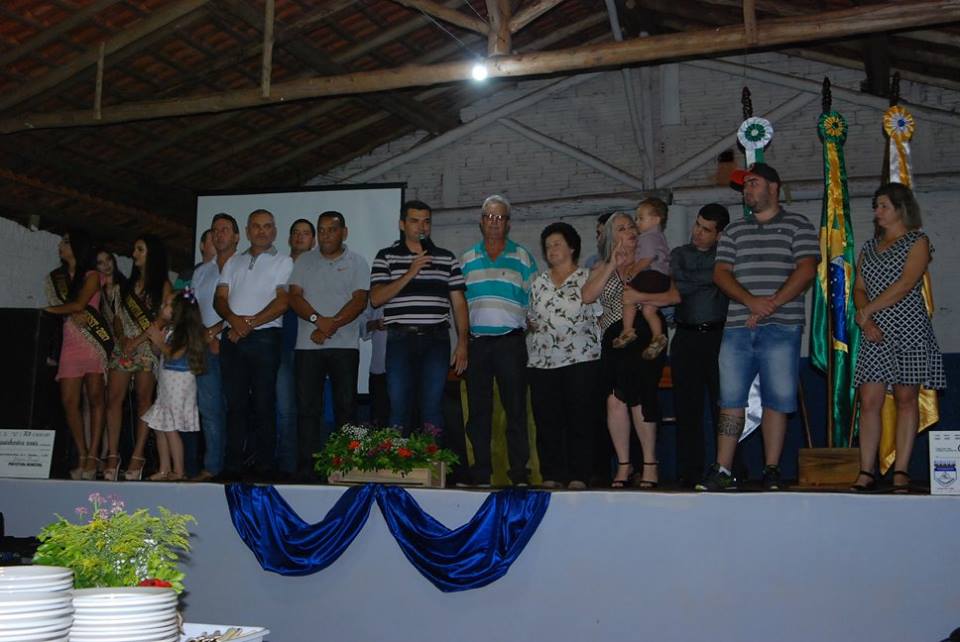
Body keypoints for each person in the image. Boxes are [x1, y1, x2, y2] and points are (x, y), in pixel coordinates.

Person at [699, 162, 819, 491]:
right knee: (730, 399)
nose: (747, 190)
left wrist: (771, 304)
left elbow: (806, 269)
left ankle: (772, 469)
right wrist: (751, 301)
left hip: (782, 327)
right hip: (738, 327)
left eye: (753, 183)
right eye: (745, 185)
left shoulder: (799, 225)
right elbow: (721, 273)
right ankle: (723, 468)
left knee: (776, 399)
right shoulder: (734, 231)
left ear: (773, 187)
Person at [851, 184, 946, 493]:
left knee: (906, 399)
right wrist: (866, 318)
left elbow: (906, 283)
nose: (877, 211)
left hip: (908, 328)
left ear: (901, 209)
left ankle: (901, 470)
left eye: (883, 206)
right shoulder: (869, 247)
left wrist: (868, 311)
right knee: (869, 401)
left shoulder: (918, 241)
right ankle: (866, 470)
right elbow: (859, 288)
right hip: (873, 330)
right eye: (876, 206)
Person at [583, 212, 678, 488]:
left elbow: (674, 296)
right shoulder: (601, 265)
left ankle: (650, 464)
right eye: (622, 228)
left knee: (640, 396)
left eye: (632, 226)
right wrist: (612, 264)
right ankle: (624, 465)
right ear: (611, 236)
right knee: (614, 400)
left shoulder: (650, 261)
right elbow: (587, 296)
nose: (630, 231)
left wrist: (640, 296)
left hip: (647, 332)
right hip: (615, 336)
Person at [369, 200, 469, 437]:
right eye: (414, 221)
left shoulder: (446, 258)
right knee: (398, 407)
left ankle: (432, 460)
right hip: (400, 338)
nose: (421, 227)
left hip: (436, 340)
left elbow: (459, 304)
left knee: (433, 408)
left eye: (426, 221)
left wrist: (463, 343)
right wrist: (410, 272)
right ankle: (398, 458)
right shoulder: (386, 256)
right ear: (402, 224)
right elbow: (376, 298)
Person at [461, 195, 538, 487]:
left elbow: (535, 300)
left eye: (500, 217)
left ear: (508, 223)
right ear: (481, 222)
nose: (494, 222)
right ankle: (481, 474)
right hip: (477, 344)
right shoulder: (466, 259)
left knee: (516, 410)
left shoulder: (523, 257)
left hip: (511, 343)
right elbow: (458, 305)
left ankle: (519, 474)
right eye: (489, 217)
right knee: (478, 412)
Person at [288, 211, 369, 479]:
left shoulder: (357, 261)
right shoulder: (304, 261)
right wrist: (317, 320)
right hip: (307, 346)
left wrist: (329, 325)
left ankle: (348, 467)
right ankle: (307, 469)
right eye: (321, 230)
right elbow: (294, 296)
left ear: (344, 232)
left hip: (345, 346)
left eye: (331, 230)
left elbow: (359, 300)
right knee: (307, 409)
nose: (325, 235)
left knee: (347, 406)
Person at [215, 209, 293, 480]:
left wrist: (247, 324)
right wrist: (234, 321)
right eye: (256, 226)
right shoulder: (233, 262)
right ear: (247, 231)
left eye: (267, 226)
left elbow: (283, 302)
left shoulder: (284, 262)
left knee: (264, 405)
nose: (262, 231)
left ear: (275, 231)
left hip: (265, 338)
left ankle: (264, 468)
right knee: (235, 406)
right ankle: (233, 467)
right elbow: (220, 299)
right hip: (232, 339)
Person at [527, 222, 601, 490]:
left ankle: (580, 474)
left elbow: (599, 316)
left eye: (557, 244)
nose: (551, 249)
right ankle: (552, 473)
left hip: (580, 359)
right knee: (547, 420)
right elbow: (530, 317)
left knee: (579, 418)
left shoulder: (588, 277)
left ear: (572, 247)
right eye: (547, 246)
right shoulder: (538, 281)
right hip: (542, 360)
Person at [669, 204, 730, 488]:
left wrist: (706, 279)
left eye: (706, 229)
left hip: (719, 338)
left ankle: (728, 468)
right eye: (697, 225)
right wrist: (712, 279)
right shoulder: (678, 254)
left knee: (725, 407)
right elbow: (677, 287)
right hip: (685, 337)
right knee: (687, 408)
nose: (697, 232)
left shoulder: (726, 256)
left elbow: (718, 279)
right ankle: (688, 471)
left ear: (719, 235)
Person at [43, 230, 112, 480]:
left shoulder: (92, 276)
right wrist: (63, 310)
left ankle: (93, 455)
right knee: (69, 401)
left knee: (95, 398)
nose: (60, 245)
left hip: (92, 343)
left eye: (65, 242)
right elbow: (68, 307)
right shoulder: (56, 278)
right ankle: (82, 453)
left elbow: (79, 305)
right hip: (70, 343)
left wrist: (49, 309)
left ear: (77, 247)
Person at [105, 234, 172, 481]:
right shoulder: (125, 286)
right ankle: (113, 454)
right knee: (113, 399)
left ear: (151, 253)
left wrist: (137, 341)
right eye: (135, 249)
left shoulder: (163, 286)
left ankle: (137, 454)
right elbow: (116, 317)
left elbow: (162, 320)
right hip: (124, 347)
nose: (134, 254)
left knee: (144, 400)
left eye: (140, 249)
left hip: (146, 347)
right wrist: (122, 337)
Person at [191, 213, 239, 482]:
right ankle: (212, 467)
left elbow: (244, 306)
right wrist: (206, 336)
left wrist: (217, 333)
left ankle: (234, 467)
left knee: (237, 409)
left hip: (235, 345)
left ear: (237, 236)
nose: (219, 235)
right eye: (215, 231)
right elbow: (191, 309)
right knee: (209, 410)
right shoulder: (202, 271)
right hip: (204, 348)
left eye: (225, 230)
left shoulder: (244, 267)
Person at [141, 289, 206, 481]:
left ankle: (178, 470)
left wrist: (159, 342)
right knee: (160, 426)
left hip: (179, 383)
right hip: (166, 383)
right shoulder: (170, 329)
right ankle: (164, 468)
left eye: (168, 304)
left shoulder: (186, 332)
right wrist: (156, 342)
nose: (163, 307)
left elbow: (175, 355)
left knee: (170, 428)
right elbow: (160, 352)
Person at [275, 218, 315, 477]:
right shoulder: (278, 267)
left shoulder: (319, 268)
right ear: (289, 238)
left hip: (313, 347)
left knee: (313, 410)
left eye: (306, 233)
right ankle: (287, 470)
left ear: (313, 240)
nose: (300, 237)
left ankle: (314, 466)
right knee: (285, 410)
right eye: (296, 233)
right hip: (283, 345)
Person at [614, 198, 671, 359]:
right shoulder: (659, 236)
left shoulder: (647, 237)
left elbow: (647, 259)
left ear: (656, 220)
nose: (637, 222)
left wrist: (633, 271)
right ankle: (658, 336)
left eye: (641, 218)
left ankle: (627, 330)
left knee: (628, 296)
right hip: (662, 279)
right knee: (649, 310)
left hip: (652, 276)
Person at [359, 304, 389, 427]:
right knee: (379, 423)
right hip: (380, 368)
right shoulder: (375, 294)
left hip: (412, 368)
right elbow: (361, 325)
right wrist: (376, 324)